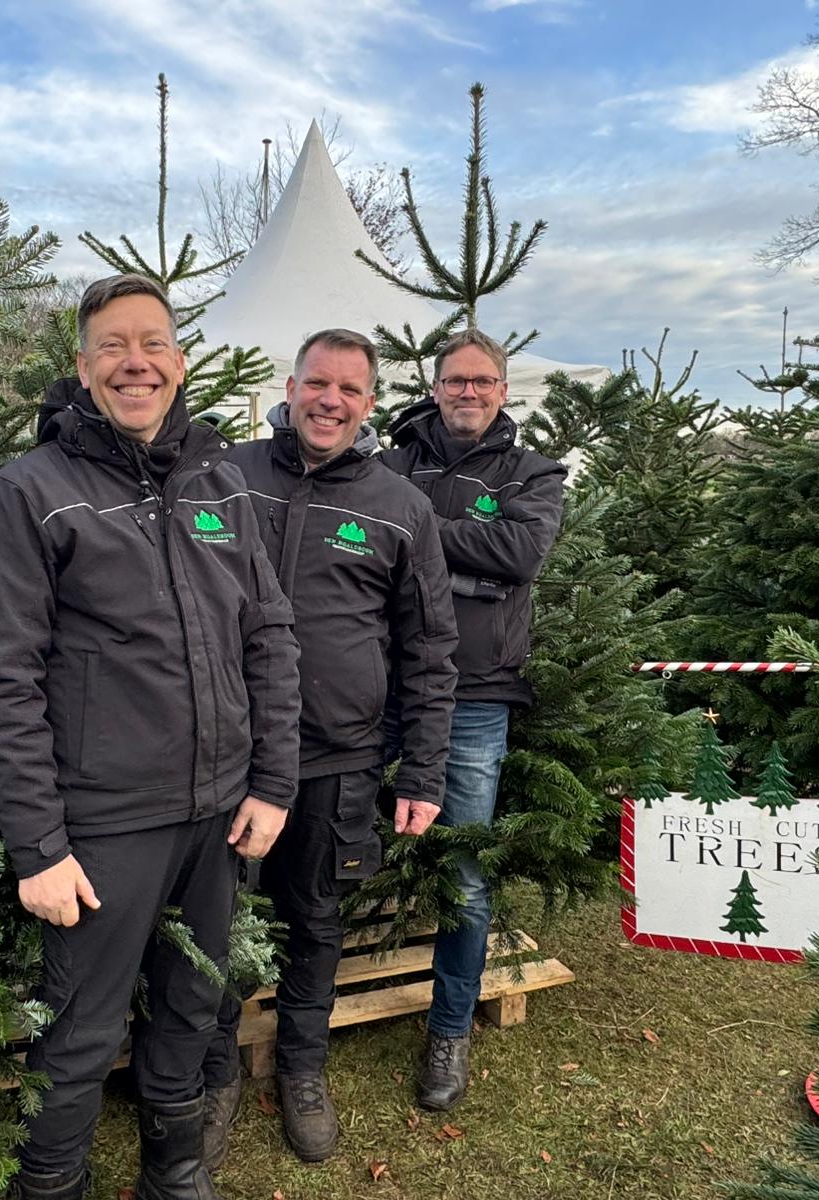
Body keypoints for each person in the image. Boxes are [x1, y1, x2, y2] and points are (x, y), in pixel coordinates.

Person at [0, 274, 303, 1200]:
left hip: (221, 815)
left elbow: (267, 635)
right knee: (77, 1032)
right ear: (81, 366)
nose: (135, 362)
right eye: (113, 346)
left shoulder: (219, 482)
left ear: (179, 361)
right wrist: (38, 846)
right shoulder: (32, 494)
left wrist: (273, 782)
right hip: (105, 823)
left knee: (192, 1010)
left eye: (152, 343)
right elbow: (2, 676)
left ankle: (174, 1175)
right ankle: (50, 1186)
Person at [200, 328, 458, 1166]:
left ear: (371, 402)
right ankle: (215, 1070)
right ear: (291, 384)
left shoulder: (399, 507)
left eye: (350, 389)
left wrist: (420, 768)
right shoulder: (226, 473)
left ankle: (303, 1068)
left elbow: (428, 647)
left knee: (314, 921)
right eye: (318, 383)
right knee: (214, 920)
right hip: (222, 756)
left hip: (336, 760)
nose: (330, 401)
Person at [378, 327, 567, 1112]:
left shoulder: (532, 472)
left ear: (502, 389)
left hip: (477, 692)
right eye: (455, 380)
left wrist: (416, 533)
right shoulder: (392, 461)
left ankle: (449, 1027)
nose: (467, 392)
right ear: (435, 384)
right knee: (329, 845)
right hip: (378, 683)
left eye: (482, 381)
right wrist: (464, 550)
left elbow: (520, 553)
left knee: (462, 868)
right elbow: (352, 537)